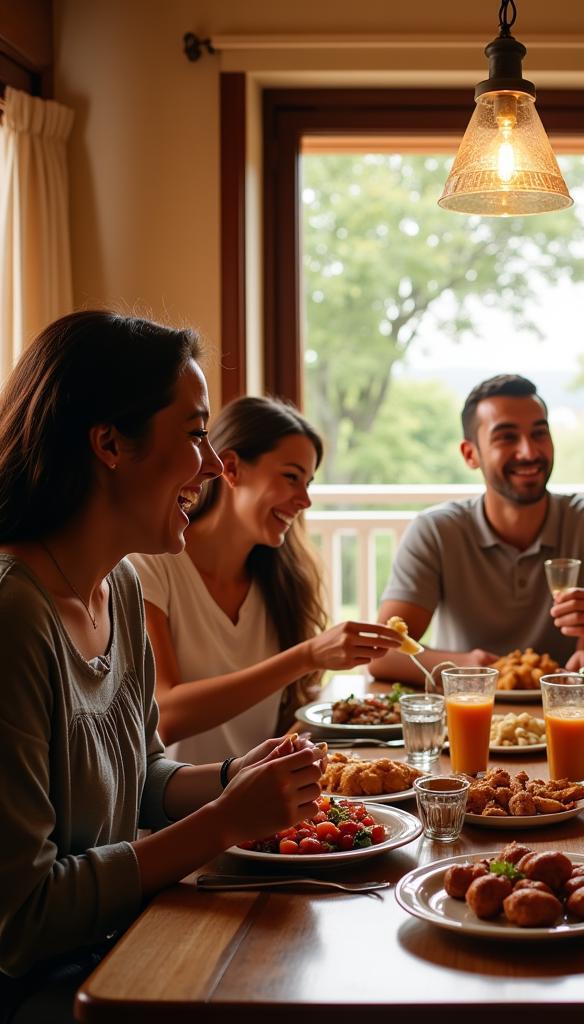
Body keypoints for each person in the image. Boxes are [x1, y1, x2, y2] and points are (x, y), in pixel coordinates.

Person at [0, 312, 326, 1016]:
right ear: (111, 443)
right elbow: (21, 919)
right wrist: (223, 823)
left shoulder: (116, 585)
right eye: (195, 433)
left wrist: (237, 778)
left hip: (120, 939)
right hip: (46, 989)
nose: (212, 465)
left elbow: (143, 775)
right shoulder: (14, 617)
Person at [130, 396, 401, 763]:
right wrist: (306, 656)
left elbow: (292, 720)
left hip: (269, 807)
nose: (304, 500)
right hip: (178, 812)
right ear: (231, 468)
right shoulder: (151, 565)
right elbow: (165, 715)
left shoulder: (285, 583)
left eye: (308, 483)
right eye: (291, 476)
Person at [372, 373, 584, 694]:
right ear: (470, 454)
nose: (529, 452)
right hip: (468, 717)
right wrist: (469, 666)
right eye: (506, 437)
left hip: (570, 716)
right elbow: (383, 653)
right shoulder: (436, 530)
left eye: (539, 434)